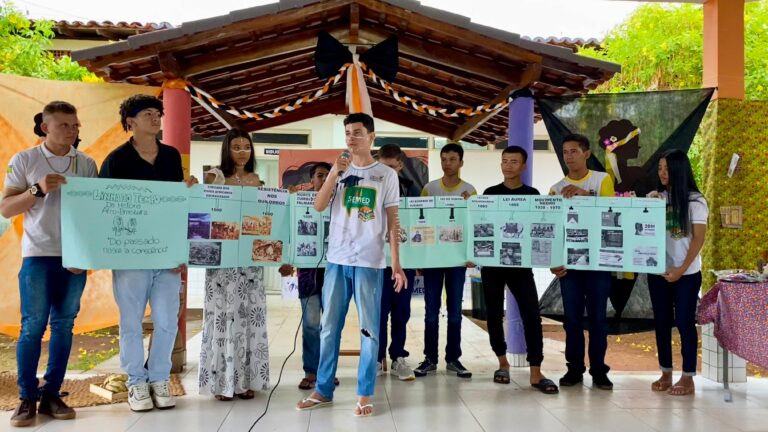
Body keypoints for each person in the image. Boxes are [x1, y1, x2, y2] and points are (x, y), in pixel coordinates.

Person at [295, 113, 406, 417]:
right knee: (329, 328)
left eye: (357, 132)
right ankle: (323, 389)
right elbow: (319, 206)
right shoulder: (339, 170)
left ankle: (365, 393)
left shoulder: (386, 175)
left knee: (370, 330)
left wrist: (397, 263)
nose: (351, 137)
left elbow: (393, 221)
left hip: (370, 262)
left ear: (371, 136)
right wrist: (334, 173)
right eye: (347, 132)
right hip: (336, 260)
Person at [2, 101, 98, 427]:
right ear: (45, 127)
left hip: (74, 258)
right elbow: (6, 208)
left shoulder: (86, 163)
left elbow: (94, 213)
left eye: (75, 125)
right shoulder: (24, 159)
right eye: (64, 125)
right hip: (38, 255)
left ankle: (52, 394)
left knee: (64, 325)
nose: (72, 130)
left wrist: (84, 255)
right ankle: (26, 397)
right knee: (32, 327)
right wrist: (37, 188)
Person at [99, 94, 194, 412]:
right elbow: (102, 206)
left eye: (158, 113)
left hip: (166, 253)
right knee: (131, 321)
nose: (155, 119)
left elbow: (177, 204)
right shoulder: (116, 160)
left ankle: (159, 378)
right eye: (147, 114)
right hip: (130, 254)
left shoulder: (170, 156)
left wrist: (180, 246)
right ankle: (136, 382)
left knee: (167, 320)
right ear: (131, 122)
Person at [198, 128, 269, 401]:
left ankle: (245, 381)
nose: (242, 152)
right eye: (236, 147)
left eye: (246, 147)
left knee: (249, 316)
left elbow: (264, 221)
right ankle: (222, 383)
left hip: (250, 260)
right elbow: (203, 214)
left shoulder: (257, 181)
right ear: (226, 149)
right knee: (223, 316)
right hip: (222, 260)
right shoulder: (214, 177)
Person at [481, 146, 558, 394]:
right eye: (504, 161)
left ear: (524, 166)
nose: (508, 165)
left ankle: (536, 371)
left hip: (521, 266)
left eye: (514, 161)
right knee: (494, 314)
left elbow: (541, 230)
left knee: (531, 315)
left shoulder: (532, 195)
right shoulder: (490, 193)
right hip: (493, 265)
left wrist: (552, 257)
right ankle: (502, 363)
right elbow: (481, 226)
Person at [549, 133, 615, 390]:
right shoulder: (556, 189)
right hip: (570, 267)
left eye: (574, 151)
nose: (569, 156)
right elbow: (552, 229)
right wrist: (554, 261)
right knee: (572, 320)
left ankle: (599, 370)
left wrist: (584, 195)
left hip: (599, 263)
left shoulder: (602, 180)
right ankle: (574, 369)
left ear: (586, 154)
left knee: (598, 319)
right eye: (565, 152)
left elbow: (611, 215)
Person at [646, 149, 707, 396]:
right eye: (660, 168)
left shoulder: (696, 201)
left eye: (667, 169)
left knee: (684, 322)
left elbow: (698, 239)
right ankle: (666, 372)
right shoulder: (655, 198)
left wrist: (681, 269)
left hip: (687, 273)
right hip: (658, 272)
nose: (662, 173)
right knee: (661, 322)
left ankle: (688, 376)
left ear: (679, 170)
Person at [414, 143, 476, 379]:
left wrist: (470, 255)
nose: (447, 163)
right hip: (432, 260)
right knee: (431, 312)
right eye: (444, 159)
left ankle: (453, 359)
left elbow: (474, 226)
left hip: (457, 262)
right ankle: (430, 359)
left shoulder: (470, 190)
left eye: (452, 159)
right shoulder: (429, 189)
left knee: (455, 312)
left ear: (461, 162)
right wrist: (419, 258)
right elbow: (420, 223)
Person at [277, 162, 340, 390]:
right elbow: (287, 232)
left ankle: (328, 372)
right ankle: (311, 372)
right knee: (311, 325)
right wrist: (286, 260)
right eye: (320, 176)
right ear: (311, 180)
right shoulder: (298, 202)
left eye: (329, 175)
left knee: (331, 326)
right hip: (308, 276)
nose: (324, 179)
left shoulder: (340, 203)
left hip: (335, 274)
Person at [375, 144, 420, 381]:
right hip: (376, 263)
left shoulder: (412, 190)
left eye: (392, 167)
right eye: (383, 167)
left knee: (401, 312)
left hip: (405, 262)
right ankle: (377, 358)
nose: (388, 172)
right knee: (378, 313)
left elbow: (422, 226)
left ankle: (398, 357)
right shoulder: (369, 189)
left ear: (400, 165)